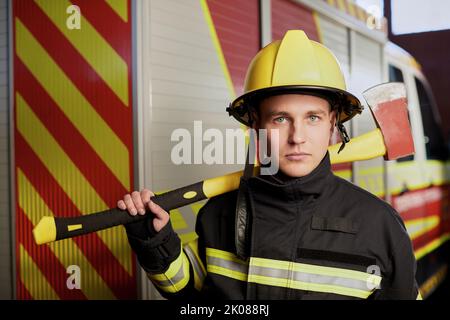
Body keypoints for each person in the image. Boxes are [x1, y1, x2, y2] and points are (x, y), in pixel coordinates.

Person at [119, 30, 421, 300]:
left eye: (312, 118)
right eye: (280, 119)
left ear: (333, 124)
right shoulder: (218, 213)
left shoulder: (379, 226)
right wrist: (155, 239)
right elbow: (190, 292)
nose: (297, 137)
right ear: (255, 124)